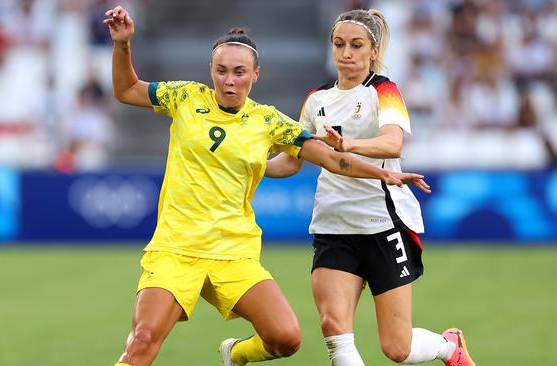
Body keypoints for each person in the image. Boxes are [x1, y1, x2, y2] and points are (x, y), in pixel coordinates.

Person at [103, 6, 430, 366]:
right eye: (222, 71)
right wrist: (123, 45)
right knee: (144, 339)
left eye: (239, 72)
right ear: (210, 72)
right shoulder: (185, 97)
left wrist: (384, 174)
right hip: (176, 249)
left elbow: (327, 157)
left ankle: (235, 354)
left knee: (286, 338)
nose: (229, 80)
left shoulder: (268, 121)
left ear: (255, 75)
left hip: (234, 252)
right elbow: (127, 89)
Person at [265, 9, 476, 366]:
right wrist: (252, 166)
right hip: (333, 227)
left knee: (398, 349)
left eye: (355, 45)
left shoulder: (384, 91)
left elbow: (393, 144)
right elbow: (293, 159)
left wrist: (347, 146)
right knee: (336, 332)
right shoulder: (316, 99)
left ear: (373, 51)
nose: (346, 53)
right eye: (339, 44)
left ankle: (448, 346)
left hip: (382, 225)